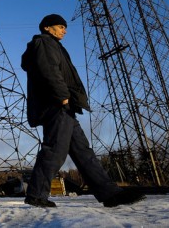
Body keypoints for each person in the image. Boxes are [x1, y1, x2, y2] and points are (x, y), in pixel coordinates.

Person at [20, 14, 145, 208]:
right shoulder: (44, 43)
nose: (65, 30)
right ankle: (36, 194)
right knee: (54, 150)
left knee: (84, 153)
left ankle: (109, 194)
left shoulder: (54, 45)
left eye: (65, 27)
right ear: (47, 28)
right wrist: (62, 95)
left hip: (65, 107)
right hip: (56, 105)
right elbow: (49, 71)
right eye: (60, 26)